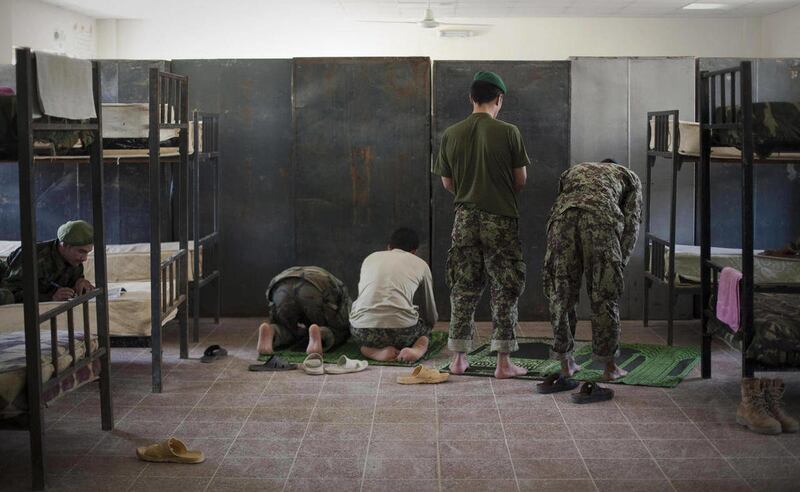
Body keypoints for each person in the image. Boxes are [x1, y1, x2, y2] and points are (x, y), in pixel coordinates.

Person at [431, 70, 530, 379]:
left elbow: (447, 183)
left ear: (471, 98)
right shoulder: (509, 132)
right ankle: (503, 363)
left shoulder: (451, 134)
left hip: (464, 218)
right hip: (500, 218)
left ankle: (458, 359)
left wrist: (469, 191)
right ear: (499, 99)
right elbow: (520, 180)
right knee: (505, 287)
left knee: (463, 287)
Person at [542, 159, 642, 381]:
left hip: (562, 223)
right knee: (604, 296)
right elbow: (632, 223)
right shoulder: (628, 176)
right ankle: (610, 368)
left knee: (561, 294)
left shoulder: (573, 171)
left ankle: (566, 363)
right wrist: (619, 263)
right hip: (601, 222)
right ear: (614, 165)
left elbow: (561, 202)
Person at [349, 227, 438, 363]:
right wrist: (428, 326)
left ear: (389, 247)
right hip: (403, 332)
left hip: (362, 331)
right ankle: (417, 349)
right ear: (414, 252)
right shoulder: (421, 264)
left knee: (361, 339)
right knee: (425, 333)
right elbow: (429, 310)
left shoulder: (370, 258)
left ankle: (372, 351)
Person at [256, 266, 352, 355]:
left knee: (287, 328)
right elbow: (344, 316)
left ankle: (272, 331)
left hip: (281, 285)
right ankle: (320, 334)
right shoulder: (340, 288)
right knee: (339, 331)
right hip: (314, 287)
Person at [0, 220, 95, 305]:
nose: (85, 258)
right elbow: (12, 292)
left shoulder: (73, 260)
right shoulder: (33, 257)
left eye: (87, 252)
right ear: (64, 245)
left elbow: (72, 280)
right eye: (81, 251)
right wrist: (50, 298)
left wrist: (79, 283)